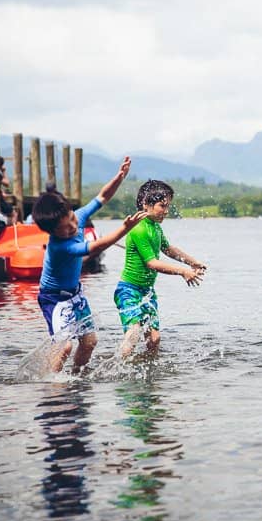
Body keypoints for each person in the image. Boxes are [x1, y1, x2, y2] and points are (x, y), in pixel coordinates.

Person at [32, 157, 147, 374]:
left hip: (75, 293)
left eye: (73, 220)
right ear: (52, 232)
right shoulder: (60, 247)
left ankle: (77, 377)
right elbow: (97, 246)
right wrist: (125, 228)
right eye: (66, 229)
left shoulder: (77, 217)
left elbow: (102, 196)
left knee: (90, 341)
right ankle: (52, 386)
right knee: (64, 345)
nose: (73, 228)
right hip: (54, 299)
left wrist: (119, 177)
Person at [114, 180, 207, 358]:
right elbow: (152, 263)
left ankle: (149, 371)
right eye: (162, 206)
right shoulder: (139, 228)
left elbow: (168, 249)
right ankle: (119, 370)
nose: (166, 211)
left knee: (154, 339)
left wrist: (191, 262)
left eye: (168, 206)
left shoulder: (155, 227)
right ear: (145, 204)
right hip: (128, 291)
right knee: (133, 334)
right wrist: (182, 271)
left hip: (147, 292)